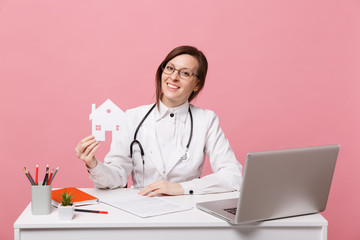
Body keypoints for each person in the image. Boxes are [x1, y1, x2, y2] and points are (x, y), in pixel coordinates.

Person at [75, 45, 242, 197]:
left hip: (187, 211)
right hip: (141, 208)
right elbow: (116, 177)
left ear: (197, 84)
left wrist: (183, 188)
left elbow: (233, 175)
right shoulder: (132, 117)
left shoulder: (206, 120)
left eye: (185, 73)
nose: (174, 77)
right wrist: (93, 164)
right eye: (170, 68)